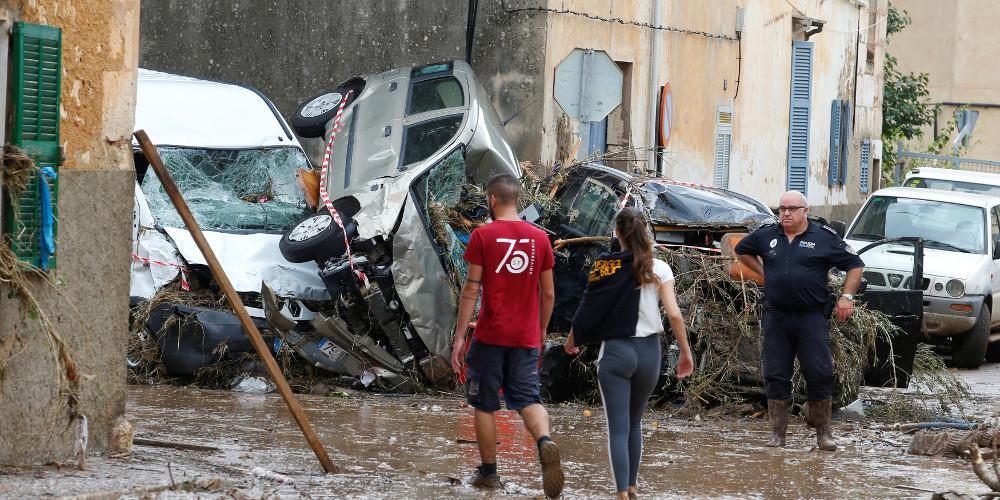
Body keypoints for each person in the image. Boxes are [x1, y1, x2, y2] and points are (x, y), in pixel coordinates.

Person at [564, 207, 694, 500]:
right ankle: (633, 487)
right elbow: (673, 314)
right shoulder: (659, 268)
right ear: (645, 231)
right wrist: (686, 353)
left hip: (617, 353)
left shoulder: (604, 266)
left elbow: (588, 308)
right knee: (635, 423)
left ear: (616, 233)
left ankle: (622, 492)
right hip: (650, 354)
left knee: (618, 428)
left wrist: (573, 339)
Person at [450, 173, 564, 498]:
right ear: (518, 199)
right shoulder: (539, 239)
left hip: (490, 337)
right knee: (528, 398)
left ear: (492, 200)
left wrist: (460, 337)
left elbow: (472, 289)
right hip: (525, 337)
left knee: (484, 404)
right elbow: (549, 294)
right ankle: (545, 441)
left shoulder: (483, 236)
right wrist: (540, 331)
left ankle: (489, 474)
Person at [734, 190, 864, 451]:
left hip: (811, 317)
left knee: (819, 373)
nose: (786, 213)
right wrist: (763, 273)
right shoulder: (768, 234)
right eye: (782, 208)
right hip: (776, 316)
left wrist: (846, 297)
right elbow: (741, 250)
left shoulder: (823, 238)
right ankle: (777, 435)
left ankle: (824, 435)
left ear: (805, 211)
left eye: (792, 208)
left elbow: (855, 264)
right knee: (775, 374)